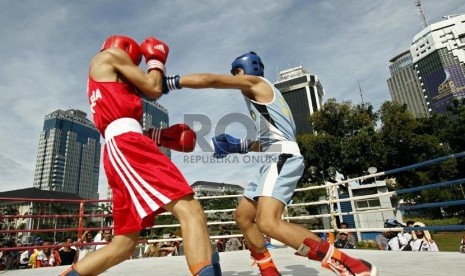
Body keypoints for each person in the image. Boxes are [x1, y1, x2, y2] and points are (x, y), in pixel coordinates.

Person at [162, 51, 377, 276]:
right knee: (243, 216)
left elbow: (211, 80)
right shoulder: (265, 99)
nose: (235, 78)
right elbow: (271, 142)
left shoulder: (257, 83)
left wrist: (172, 82)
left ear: (243, 70)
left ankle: (348, 263)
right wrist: (240, 146)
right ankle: (268, 270)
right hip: (272, 159)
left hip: (282, 159)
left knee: (268, 222)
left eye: (236, 73)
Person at [60, 35, 221, 276]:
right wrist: (156, 60)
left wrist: (159, 134)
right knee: (190, 209)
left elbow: (124, 113)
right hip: (127, 146)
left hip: (121, 147)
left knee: (123, 245)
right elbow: (154, 88)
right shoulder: (110, 56)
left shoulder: (107, 80)